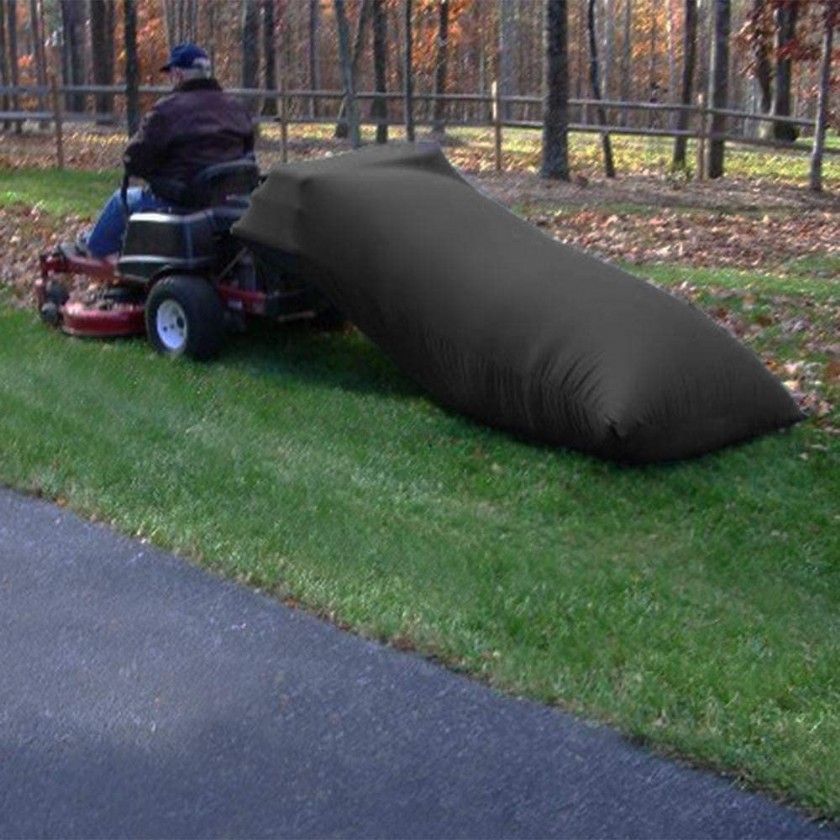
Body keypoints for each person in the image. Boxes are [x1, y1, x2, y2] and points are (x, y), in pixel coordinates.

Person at [83, 43, 255, 258]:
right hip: (230, 199)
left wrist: (155, 172)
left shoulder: (168, 110)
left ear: (178, 75)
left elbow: (135, 159)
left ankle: (93, 250)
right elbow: (249, 153)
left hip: (184, 200)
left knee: (121, 200)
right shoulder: (237, 107)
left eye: (172, 75)